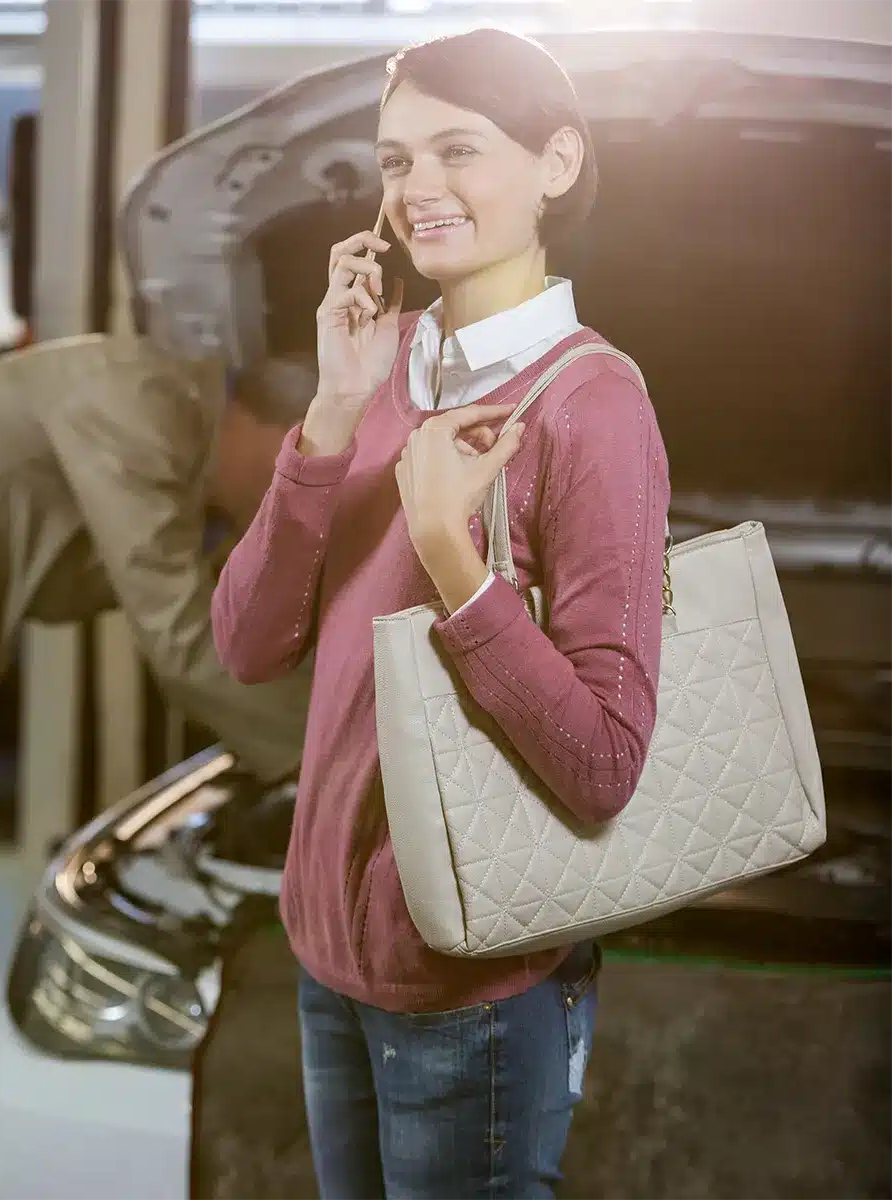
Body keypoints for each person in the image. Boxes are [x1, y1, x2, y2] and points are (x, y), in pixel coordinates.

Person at [212, 27, 671, 1197]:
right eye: (397, 159)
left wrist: (449, 562)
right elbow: (248, 642)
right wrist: (328, 416)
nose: (418, 190)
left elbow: (606, 763)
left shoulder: (592, 405)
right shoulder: (377, 368)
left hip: (471, 982)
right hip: (327, 949)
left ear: (554, 164)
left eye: (457, 150)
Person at [0, 338, 317, 952]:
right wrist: (333, 755)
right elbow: (187, 645)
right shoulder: (135, 403)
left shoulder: (207, 493)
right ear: (288, 434)